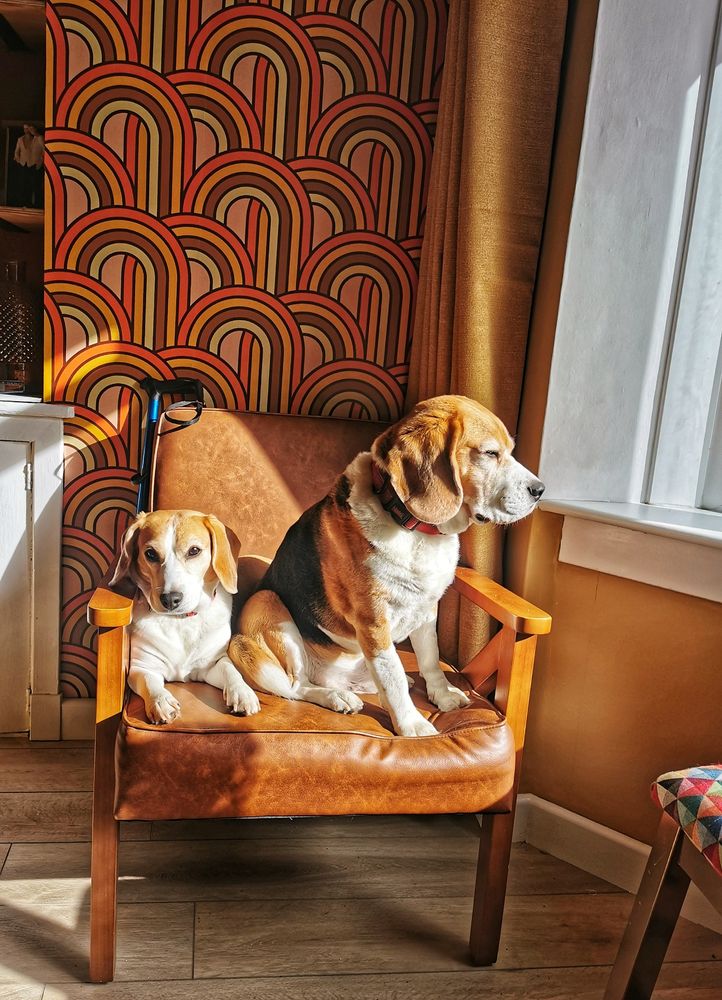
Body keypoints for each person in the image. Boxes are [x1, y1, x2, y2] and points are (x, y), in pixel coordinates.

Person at [13, 124, 44, 208]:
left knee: (35, 184)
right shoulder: (20, 139)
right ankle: (24, 203)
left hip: (34, 164)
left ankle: (36, 204)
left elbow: (44, 151)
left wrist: (40, 161)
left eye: (29, 129)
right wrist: (19, 160)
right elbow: (16, 152)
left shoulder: (38, 138)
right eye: (25, 129)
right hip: (23, 164)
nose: (27, 130)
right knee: (23, 184)